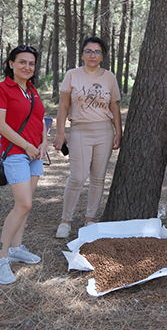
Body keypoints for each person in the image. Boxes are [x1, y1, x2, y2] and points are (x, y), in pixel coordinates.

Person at [53, 37, 122, 238]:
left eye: (97, 52)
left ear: (102, 56)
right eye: (89, 51)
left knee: (98, 178)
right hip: (79, 130)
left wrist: (119, 132)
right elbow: (63, 106)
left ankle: (90, 219)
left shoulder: (109, 77)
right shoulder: (72, 75)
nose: (93, 55)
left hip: (104, 131)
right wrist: (60, 133)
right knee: (77, 177)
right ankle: (66, 221)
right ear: (82, 54)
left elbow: (114, 106)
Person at [0, 45, 47, 285]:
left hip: (35, 154)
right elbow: (0, 125)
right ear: (11, 64)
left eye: (31, 63)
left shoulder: (32, 90)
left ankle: (16, 248)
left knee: (24, 206)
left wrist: (43, 142)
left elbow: (40, 120)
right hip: (16, 153)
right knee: (24, 204)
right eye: (22, 62)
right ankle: (0, 257)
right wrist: (27, 145)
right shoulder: (1, 88)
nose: (27, 67)